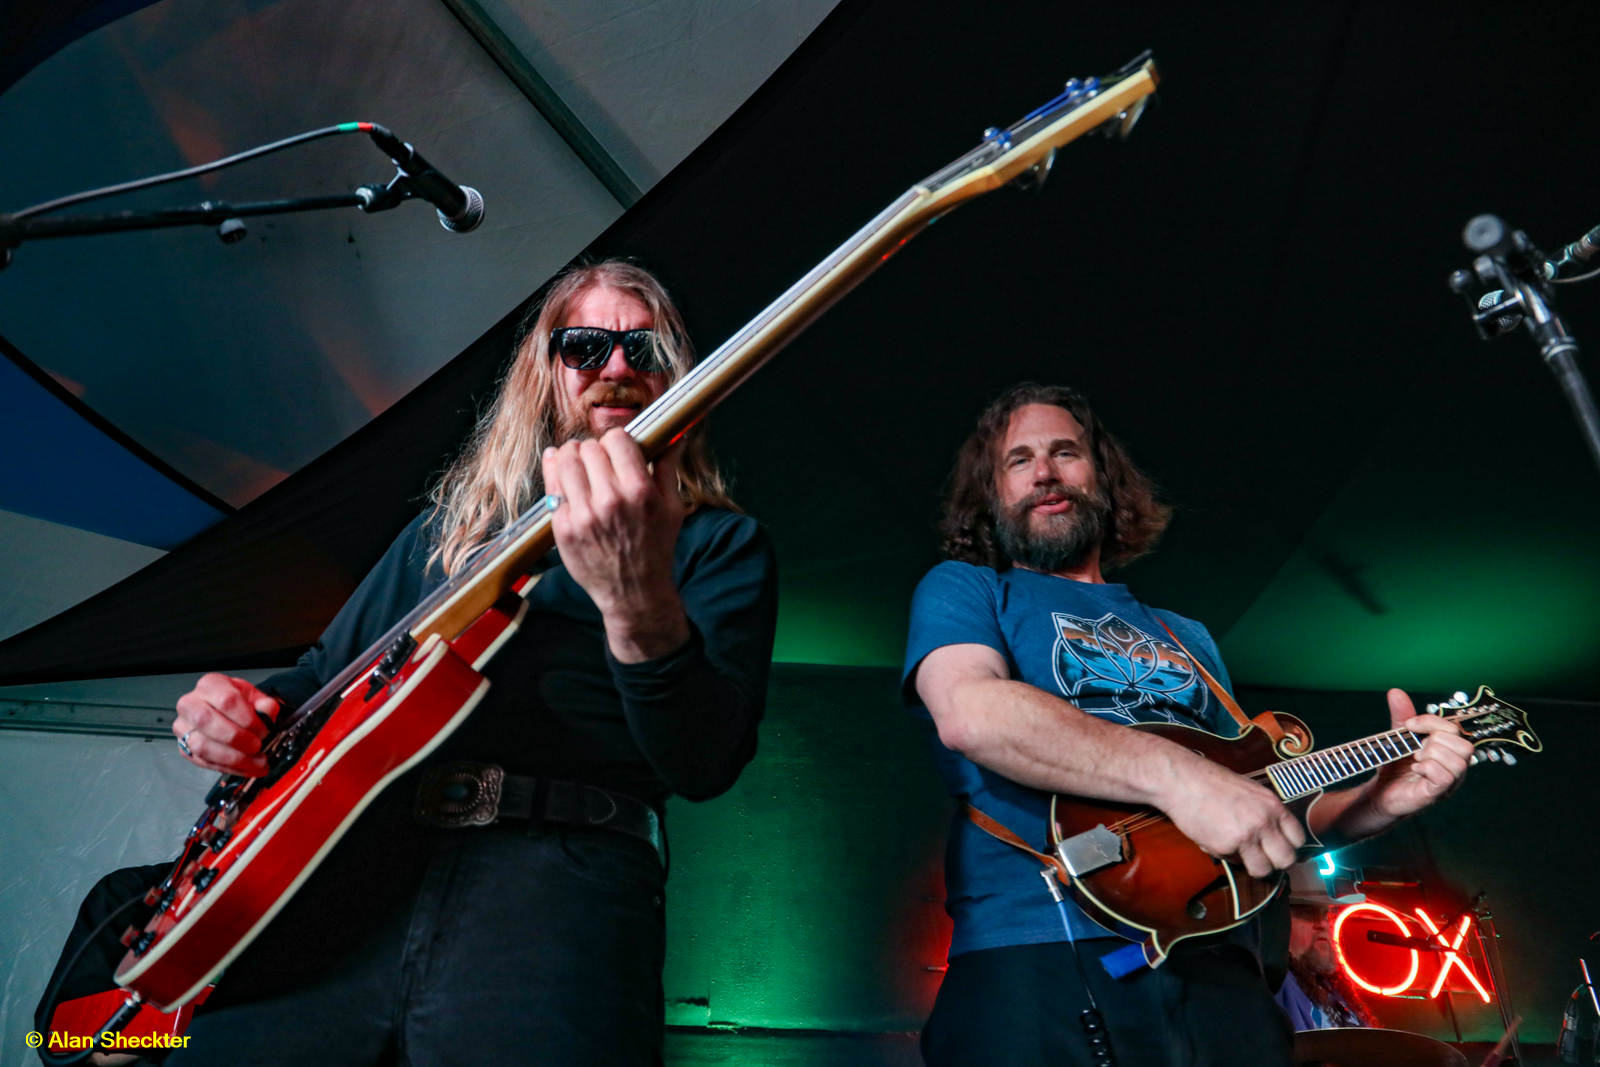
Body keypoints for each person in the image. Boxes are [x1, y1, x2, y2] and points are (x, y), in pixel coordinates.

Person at [159, 259, 778, 1066]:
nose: (617, 367)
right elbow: (316, 683)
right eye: (585, 345)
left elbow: (704, 760)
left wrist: (635, 595)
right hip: (352, 877)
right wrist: (230, 712)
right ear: (545, 373)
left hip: (559, 891)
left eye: (645, 347)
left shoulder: (720, 544)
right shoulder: (446, 534)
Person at [902, 383, 1472, 1067]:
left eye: (1065, 452)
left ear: (1105, 479)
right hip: (1037, 948)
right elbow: (971, 713)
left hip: (1215, 962)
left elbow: (1255, 804)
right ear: (992, 494)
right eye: (1018, 460)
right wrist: (1180, 777)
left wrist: (1378, 801)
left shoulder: (1188, 637)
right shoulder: (967, 589)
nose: (1046, 472)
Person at [1274, 863, 1375, 1030]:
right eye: (1307, 913)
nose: (1322, 924)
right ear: (1278, 921)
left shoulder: (1332, 991)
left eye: (1324, 913)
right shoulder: (1273, 985)